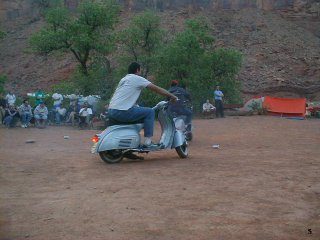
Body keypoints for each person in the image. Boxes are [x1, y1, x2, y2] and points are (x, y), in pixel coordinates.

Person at [108, 62, 178, 148]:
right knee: (150, 112)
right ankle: (148, 141)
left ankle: (131, 144)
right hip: (123, 111)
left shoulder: (123, 80)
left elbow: (125, 96)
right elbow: (157, 89)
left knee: (141, 112)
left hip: (111, 111)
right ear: (137, 70)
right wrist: (172, 96)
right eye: (140, 70)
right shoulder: (137, 78)